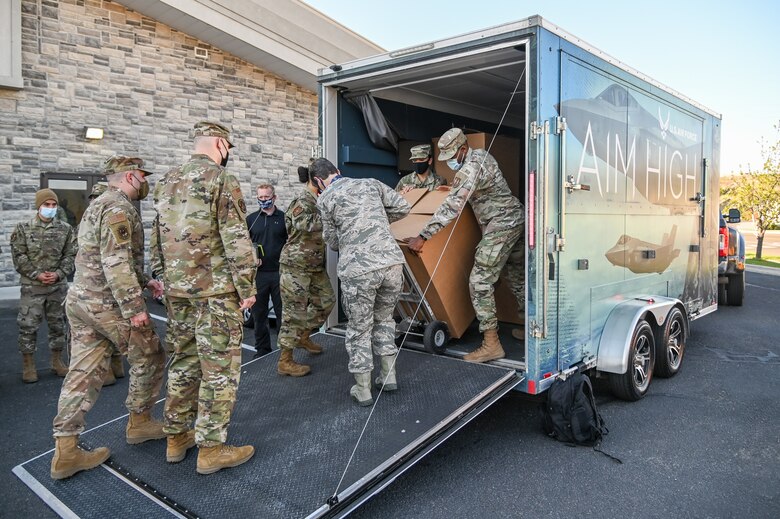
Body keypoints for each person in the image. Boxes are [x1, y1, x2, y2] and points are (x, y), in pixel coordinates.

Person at [50, 156, 167, 480]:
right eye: (143, 177)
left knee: (82, 372)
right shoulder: (119, 207)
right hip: (106, 304)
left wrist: (146, 281)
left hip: (81, 300)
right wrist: (135, 310)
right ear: (131, 176)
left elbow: (102, 254)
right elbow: (115, 263)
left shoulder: (98, 204)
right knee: (151, 354)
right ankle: (140, 423)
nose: (145, 183)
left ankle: (66, 450)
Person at [151, 121, 257, 475]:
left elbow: (156, 235)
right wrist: (247, 287)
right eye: (228, 146)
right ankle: (211, 449)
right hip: (214, 293)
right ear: (219, 143)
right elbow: (236, 237)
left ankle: (176, 438)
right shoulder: (221, 179)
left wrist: (162, 278)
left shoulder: (166, 180)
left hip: (177, 292)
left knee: (182, 363)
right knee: (220, 371)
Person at [406, 128, 525, 363]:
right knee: (516, 276)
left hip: (502, 223)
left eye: (452, 155)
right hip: (513, 218)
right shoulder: (479, 156)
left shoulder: (470, 167)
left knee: (480, 281)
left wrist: (423, 235)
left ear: (462, 149)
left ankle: (491, 344)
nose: (449, 161)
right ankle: (534, 330)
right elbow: (463, 189)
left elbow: (452, 206)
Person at [313, 158, 411, 406]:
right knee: (385, 319)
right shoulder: (371, 183)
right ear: (338, 171)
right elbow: (403, 206)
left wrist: (354, 230)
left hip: (359, 271)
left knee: (359, 328)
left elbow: (333, 242)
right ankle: (389, 378)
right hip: (391, 264)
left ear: (318, 181)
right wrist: (375, 222)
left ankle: (363, 389)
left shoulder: (324, 199)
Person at [275, 163, 337, 377]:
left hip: (313, 265)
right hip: (295, 266)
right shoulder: (302, 200)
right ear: (316, 179)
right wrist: (332, 215)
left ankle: (302, 335)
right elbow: (304, 224)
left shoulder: (319, 199)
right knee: (294, 313)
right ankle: (285, 361)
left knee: (327, 301)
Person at [10, 188, 77, 383]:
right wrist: (37, 275)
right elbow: (18, 256)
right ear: (39, 206)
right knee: (28, 326)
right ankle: (28, 365)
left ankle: (57, 362)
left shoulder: (65, 229)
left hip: (57, 287)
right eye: (46, 205)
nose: (50, 208)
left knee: (58, 325)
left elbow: (71, 255)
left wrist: (58, 274)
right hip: (33, 287)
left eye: (53, 205)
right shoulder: (23, 228)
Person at [85, 181, 125, 387]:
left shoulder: (103, 218)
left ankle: (115, 363)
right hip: (98, 284)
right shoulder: (92, 220)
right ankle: (108, 366)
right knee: (103, 327)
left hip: (107, 283)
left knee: (113, 325)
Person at [246, 183, 287, 357]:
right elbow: (244, 245)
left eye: (267, 197)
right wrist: (252, 258)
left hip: (280, 274)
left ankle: (285, 351)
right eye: (260, 197)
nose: (264, 200)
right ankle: (262, 350)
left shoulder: (285, 218)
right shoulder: (251, 219)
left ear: (274, 197)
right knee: (259, 314)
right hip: (259, 275)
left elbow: (291, 244)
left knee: (282, 314)